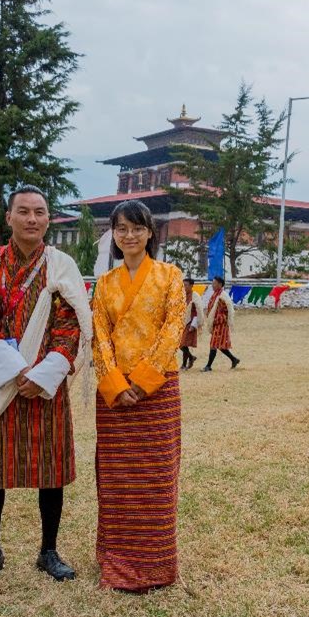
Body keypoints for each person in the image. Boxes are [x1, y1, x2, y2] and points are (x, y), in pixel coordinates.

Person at [0, 186, 91, 589]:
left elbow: (71, 324)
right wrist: (14, 372)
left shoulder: (62, 265)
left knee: (50, 470)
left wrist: (45, 373)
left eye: (39, 212)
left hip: (45, 386)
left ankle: (48, 550)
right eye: (24, 211)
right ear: (9, 217)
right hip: (0, 383)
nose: (32, 219)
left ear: (49, 218)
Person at [91, 199, 185, 592]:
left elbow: (173, 328)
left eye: (137, 228)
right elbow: (99, 337)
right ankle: (116, 559)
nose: (129, 235)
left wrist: (144, 381)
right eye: (121, 228)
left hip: (157, 392)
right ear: (113, 234)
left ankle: (156, 565)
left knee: (156, 477)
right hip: (114, 398)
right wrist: (114, 383)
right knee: (117, 480)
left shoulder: (170, 276)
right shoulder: (105, 283)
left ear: (150, 232)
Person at [202, 276, 240, 371]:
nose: (212, 285)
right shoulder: (216, 294)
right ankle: (234, 359)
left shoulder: (223, 296)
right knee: (219, 344)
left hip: (221, 324)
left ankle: (208, 366)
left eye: (214, 283)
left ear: (220, 284)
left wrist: (216, 320)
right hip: (215, 323)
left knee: (214, 344)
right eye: (212, 283)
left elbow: (226, 312)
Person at [179, 277, 202, 370]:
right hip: (183, 322)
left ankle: (184, 364)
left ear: (192, 286)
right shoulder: (182, 295)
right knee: (180, 344)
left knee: (183, 344)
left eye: (186, 285)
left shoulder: (195, 296)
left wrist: (194, 324)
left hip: (191, 322)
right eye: (183, 285)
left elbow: (198, 311)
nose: (184, 287)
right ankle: (191, 357)